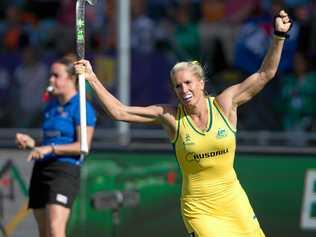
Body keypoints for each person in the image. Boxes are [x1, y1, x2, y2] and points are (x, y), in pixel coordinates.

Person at [74, 10, 292, 237]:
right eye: (178, 86)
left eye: (188, 83)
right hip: (199, 209)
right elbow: (119, 111)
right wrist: (92, 77)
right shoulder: (170, 116)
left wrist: (278, 36)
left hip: (233, 201)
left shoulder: (225, 104)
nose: (184, 90)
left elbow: (265, 73)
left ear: (200, 82)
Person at [15, 54, 96, 237]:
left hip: (64, 170)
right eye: (51, 75)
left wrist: (49, 149)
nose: (51, 79)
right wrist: (33, 144)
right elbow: (48, 142)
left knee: (55, 230)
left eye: (56, 75)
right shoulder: (50, 106)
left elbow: (83, 146)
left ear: (71, 79)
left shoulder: (82, 107)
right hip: (42, 168)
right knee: (44, 233)